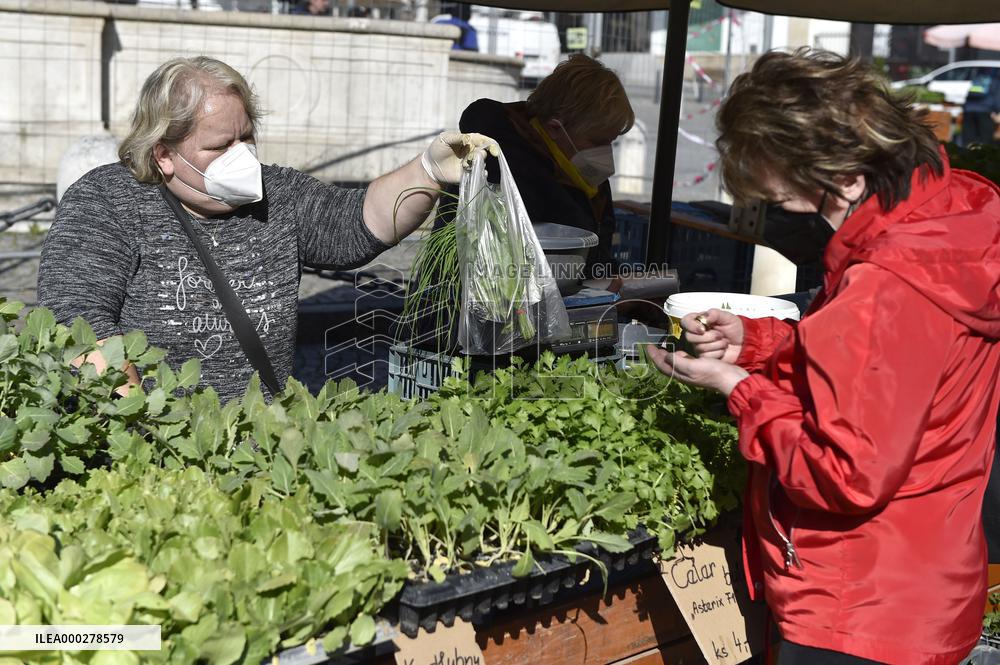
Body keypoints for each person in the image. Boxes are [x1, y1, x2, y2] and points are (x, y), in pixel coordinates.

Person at [647, 48, 1000, 665]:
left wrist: (739, 388)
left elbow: (843, 474)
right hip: (928, 580)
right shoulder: (955, 213)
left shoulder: (885, 284)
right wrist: (760, 343)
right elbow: (899, 372)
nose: (778, 217)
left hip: (857, 606)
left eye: (783, 201)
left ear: (843, 176)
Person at [38, 56, 497, 403]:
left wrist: (428, 171)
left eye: (246, 137)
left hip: (262, 446)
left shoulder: (274, 191)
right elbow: (76, 322)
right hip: (157, 449)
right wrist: (146, 426)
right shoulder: (107, 201)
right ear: (162, 155)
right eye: (220, 145)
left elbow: (360, 222)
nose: (242, 156)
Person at [453, 54, 634, 279]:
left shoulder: (583, 174)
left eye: (611, 141)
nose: (605, 152)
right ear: (555, 128)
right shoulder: (500, 165)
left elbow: (594, 259)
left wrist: (615, 283)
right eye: (597, 141)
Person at [962, 69, 1000, 146]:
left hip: (969, 110)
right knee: (986, 140)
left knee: (969, 138)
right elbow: (997, 98)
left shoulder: (976, 79)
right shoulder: (995, 80)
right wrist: (997, 111)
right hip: (985, 111)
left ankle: (967, 155)